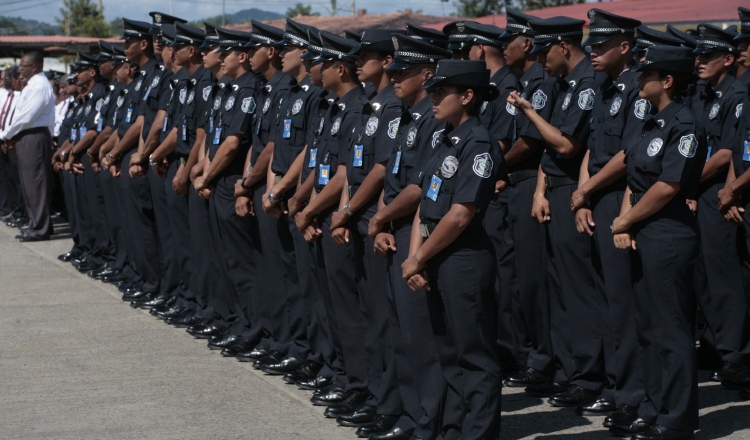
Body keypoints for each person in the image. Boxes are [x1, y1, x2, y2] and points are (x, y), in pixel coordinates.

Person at [402, 59, 504, 440]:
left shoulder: (479, 143)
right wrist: (416, 259)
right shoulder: (444, 138)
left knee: (473, 357)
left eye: (441, 92)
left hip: (463, 259)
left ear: (467, 96)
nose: (433, 97)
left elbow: (461, 214)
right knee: (448, 355)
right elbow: (425, 204)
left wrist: (418, 258)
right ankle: (454, 430)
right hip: (434, 256)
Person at [507, 16, 604, 405]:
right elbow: (551, 151)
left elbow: (565, 146)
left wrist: (530, 113)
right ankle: (569, 369)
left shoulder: (586, 86)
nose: (540, 59)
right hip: (554, 190)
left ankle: (589, 375)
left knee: (580, 289)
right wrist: (541, 191)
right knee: (558, 288)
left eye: (545, 50)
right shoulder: (565, 85)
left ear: (564, 47)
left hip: (576, 192)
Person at [610, 46, 706, 440]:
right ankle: (651, 407)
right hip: (642, 231)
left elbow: (668, 186)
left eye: (646, 74)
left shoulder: (686, 125)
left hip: (669, 234)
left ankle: (678, 417)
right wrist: (626, 224)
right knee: (646, 327)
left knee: (671, 328)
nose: (638, 79)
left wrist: (625, 220)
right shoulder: (649, 122)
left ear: (667, 81)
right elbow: (635, 180)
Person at [571, 9, 648, 420]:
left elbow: (627, 154)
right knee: (604, 298)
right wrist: (583, 196)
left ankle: (634, 394)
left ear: (625, 47)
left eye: (600, 47)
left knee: (624, 302)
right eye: (591, 47)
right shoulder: (606, 87)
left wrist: (587, 188)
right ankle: (616, 384)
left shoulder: (637, 88)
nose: (593, 53)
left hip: (622, 197)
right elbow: (592, 146)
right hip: (598, 196)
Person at [499, 7, 558, 390]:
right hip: (517, 183)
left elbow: (530, 140)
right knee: (518, 276)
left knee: (535, 279)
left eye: (509, 40)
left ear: (527, 43)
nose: (503, 47)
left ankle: (544, 358)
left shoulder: (540, 80)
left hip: (532, 183)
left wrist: (490, 169)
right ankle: (531, 355)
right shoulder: (525, 78)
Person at [689, 24, 750, 391]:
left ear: (726, 59)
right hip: (701, 192)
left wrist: (687, 182)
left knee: (725, 278)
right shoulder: (703, 93)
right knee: (703, 276)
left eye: (707, 56)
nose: (699, 62)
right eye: (697, 55)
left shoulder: (735, 94)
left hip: (716, 193)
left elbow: (729, 151)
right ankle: (714, 346)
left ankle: (736, 355)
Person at [0, 51, 55, 241]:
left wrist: (6, 134)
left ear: (34, 67)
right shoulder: (32, 85)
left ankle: (40, 229)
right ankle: (35, 224)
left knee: (36, 184)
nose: (20, 69)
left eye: (23, 65)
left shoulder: (39, 85)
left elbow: (26, 117)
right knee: (28, 185)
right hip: (25, 136)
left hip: (34, 136)